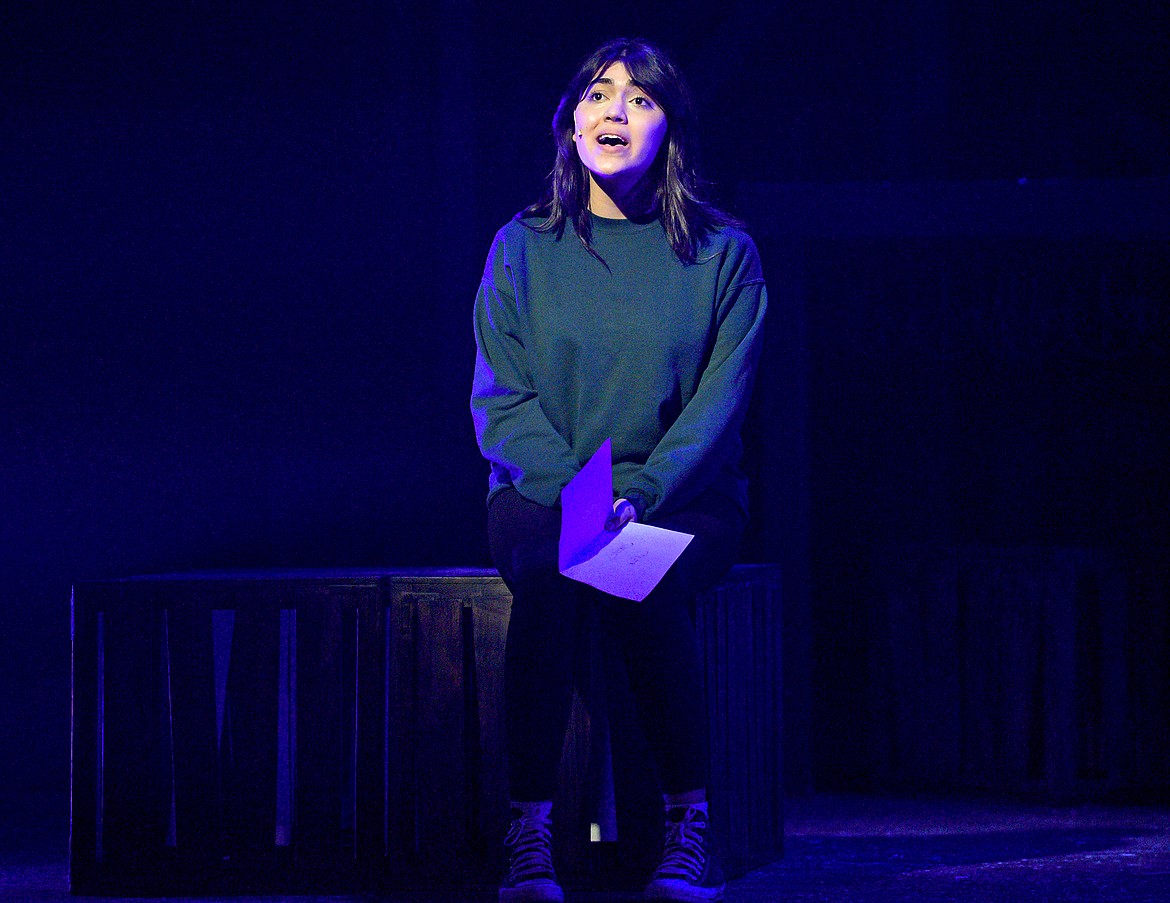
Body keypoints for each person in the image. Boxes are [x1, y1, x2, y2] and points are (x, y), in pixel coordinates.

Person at [471, 37, 767, 903]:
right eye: (600, 94)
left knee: (639, 574)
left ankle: (690, 828)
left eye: (642, 100)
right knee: (557, 569)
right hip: (547, 489)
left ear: (670, 129)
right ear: (568, 123)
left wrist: (635, 498)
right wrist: (582, 498)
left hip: (681, 494)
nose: (616, 112)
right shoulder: (520, 247)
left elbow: (717, 411)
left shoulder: (724, 255)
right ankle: (527, 835)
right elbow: (503, 400)